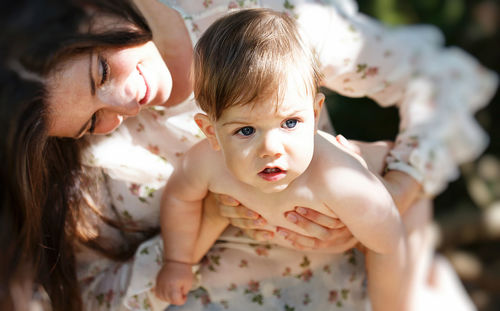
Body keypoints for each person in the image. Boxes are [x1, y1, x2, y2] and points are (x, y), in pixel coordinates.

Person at [0, 0, 496, 310]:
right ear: (208, 131)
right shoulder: (61, 162)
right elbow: (79, 298)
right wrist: (207, 221)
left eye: (102, 73)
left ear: (85, 6)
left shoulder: (253, 26)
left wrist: (399, 188)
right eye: (90, 121)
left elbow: (440, 79)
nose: (125, 105)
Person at [156, 9, 409, 311]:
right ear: (211, 132)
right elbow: (179, 197)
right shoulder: (207, 163)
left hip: (396, 192)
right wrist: (177, 261)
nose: (271, 148)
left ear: (314, 115)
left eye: (289, 123)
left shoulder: (340, 181)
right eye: (246, 130)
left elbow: (390, 246)